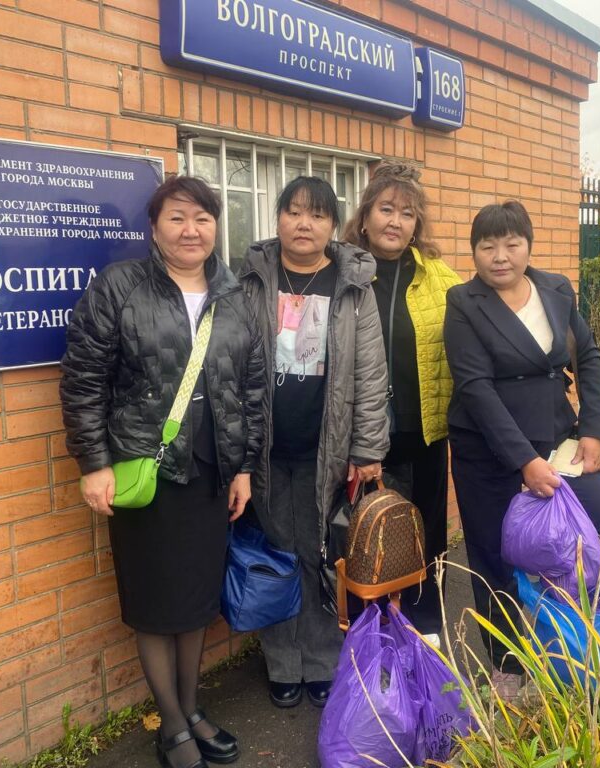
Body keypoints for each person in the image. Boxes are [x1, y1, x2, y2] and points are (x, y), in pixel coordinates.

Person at [59, 176, 265, 768]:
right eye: (177, 218)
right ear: (154, 228)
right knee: (154, 600)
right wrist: (93, 464)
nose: (190, 230)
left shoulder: (235, 294)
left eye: (202, 218)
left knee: (196, 599)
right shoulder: (120, 287)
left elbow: (251, 389)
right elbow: (84, 380)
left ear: (216, 226)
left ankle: (192, 709)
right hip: (143, 470)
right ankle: (171, 725)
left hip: (211, 471)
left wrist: (243, 467)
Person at [444, 200, 600, 699]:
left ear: (528, 245)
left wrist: (594, 429)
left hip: (556, 437)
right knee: (494, 554)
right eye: (487, 246)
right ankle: (508, 662)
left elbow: (589, 357)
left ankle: (577, 631)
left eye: (512, 244)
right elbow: (475, 387)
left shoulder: (555, 288)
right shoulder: (463, 302)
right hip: (489, 449)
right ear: (474, 252)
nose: (500, 256)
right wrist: (523, 461)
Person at [240, 176, 389, 710]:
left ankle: (324, 660)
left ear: (332, 225)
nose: (304, 224)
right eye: (294, 212)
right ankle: (283, 662)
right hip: (265, 448)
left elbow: (371, 373)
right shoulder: (252, 280)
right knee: (277, 556)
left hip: (329, 450)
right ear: (278, 217)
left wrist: (367, 449)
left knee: (323, 555)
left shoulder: (353, 286)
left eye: (318, 214)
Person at [342, 163, 460, 644]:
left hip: (423, 432)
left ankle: (425, 629)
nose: (395, 221)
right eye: (386, 209)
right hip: (360, 439)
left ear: (417, 224)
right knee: (364, 536)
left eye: (407, 213)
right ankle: (368, 634)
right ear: (365, 216)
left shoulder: (438, 277)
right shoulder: (343, 272)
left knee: (426, 533)